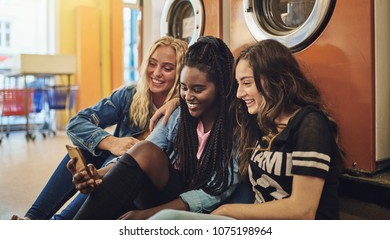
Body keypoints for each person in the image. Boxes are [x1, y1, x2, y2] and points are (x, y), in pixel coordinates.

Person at [150, 39, 344, 220]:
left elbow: (303, 210)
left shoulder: (310, 124)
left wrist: (227, 211)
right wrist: (178, 101)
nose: (239, 93)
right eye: (238, 83)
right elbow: (213, 85)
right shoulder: (257, 122)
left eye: (247, 83)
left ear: (275, 80)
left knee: (168, 219)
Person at [11, 36, 188, 220]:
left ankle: (60, 223)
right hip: (112, 174)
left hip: (148, 191)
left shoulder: (184, 108)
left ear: (182, 73)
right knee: (88, 149)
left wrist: (178, 101)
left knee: (110, 162)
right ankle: (32, 219)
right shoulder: (130, 95)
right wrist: (111, 142)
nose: (156, 73)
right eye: (152, 64)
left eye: (167, 68)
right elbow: (77, 122)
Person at [69, 36, 239, 220]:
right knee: (144, 149)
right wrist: (99, 175)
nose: (188, 96)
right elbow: (139, 155)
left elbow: (211, 195)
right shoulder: (178, 114)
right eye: (183, 88)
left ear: (221, 87)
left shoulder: (237, 129)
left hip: (192, 204)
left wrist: (146, 215)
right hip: (164, 190)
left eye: (197, 89)